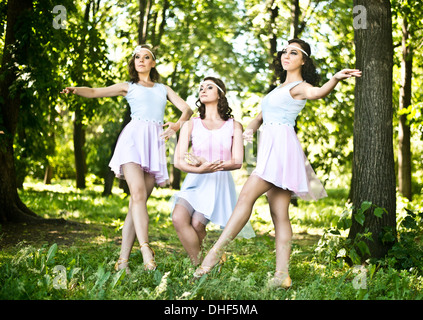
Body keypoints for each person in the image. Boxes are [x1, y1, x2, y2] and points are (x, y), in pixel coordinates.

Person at [193, 39, 361, 288]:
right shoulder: (278, 88)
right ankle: (282, 275)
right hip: (273, 149)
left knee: (245, 199)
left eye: (293, 52)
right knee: (279, 214)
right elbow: (261, 116)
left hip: (281, 150)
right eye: (285, 51)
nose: (286, 55)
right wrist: (249, 130)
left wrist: (335, 78)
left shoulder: (301, 86)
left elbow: (318, 93)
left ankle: (212, 256)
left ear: (303, 60)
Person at [61, 45, 193, 273]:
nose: (141, 60)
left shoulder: (163, 89)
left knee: (136, 203)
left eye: (147, 57)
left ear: (153, 63)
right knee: (138, 195)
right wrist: (75, 90)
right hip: (132, 142)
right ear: (134, 63)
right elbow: (94, 92)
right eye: (137, 57)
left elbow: (187, 109)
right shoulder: (128, 87)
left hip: (154, 144)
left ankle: (122, 262)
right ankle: (145, 250)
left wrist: (176, 126)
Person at [171, 77, 253, 266]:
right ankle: (199, 264)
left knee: (198, 225)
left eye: (209, 87)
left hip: (218, 183)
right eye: (201, 87)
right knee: (178, 217)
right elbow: (178, 160)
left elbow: (237, 161)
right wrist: (199, 169)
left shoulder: (234, 126)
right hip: (195, 180)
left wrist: (209, 165)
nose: (203, 90)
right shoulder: (190, 124)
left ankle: (202, 268)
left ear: (220, 95)